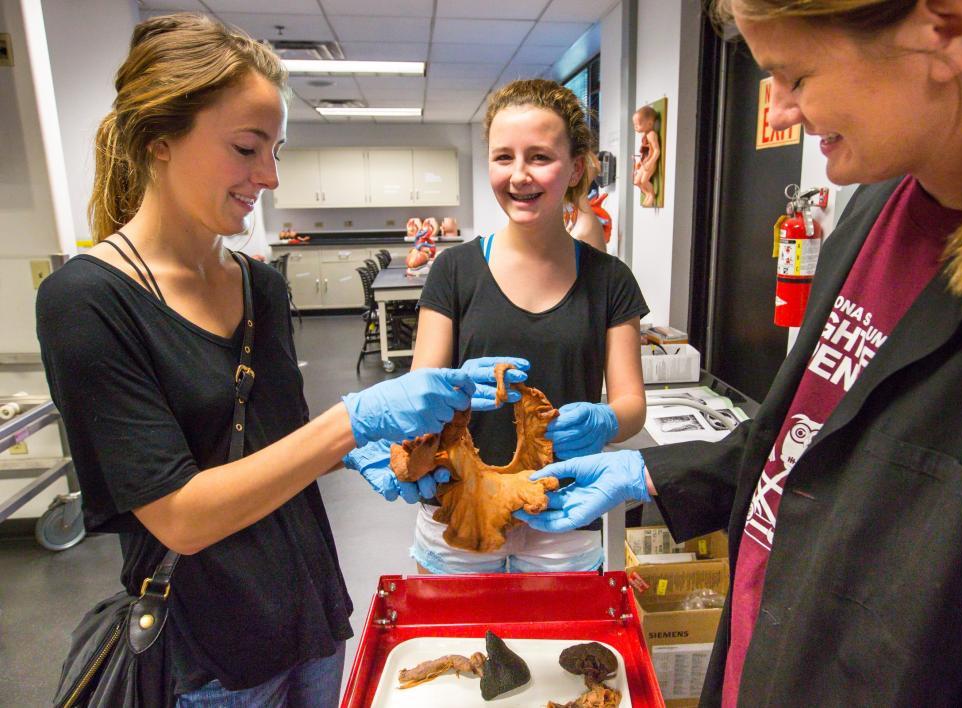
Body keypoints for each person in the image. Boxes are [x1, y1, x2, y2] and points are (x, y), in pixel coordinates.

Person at [516, 0, 962, 704]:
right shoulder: (876, 206)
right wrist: (650, 474)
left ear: (949, 25)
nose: (775, 116)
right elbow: (819, 445)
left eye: (794, 77)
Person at [35, 14, 516, 706]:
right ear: (158, 141)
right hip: (211, 655)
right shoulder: (88, 302)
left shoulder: (259, 285)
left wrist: (356, 454)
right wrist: (352, 423)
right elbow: (181, 516)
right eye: (245, 147)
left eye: (276, 150)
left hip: (311, 617)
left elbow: (276, 447)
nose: (267, 175)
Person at [350, 79, 649, 575]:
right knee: (452, 647)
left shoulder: (609, 279)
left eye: (539, 157)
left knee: (556, 651)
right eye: (503, 157)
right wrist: (442, 399)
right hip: (460, 506)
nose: (519, 175)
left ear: (575, 167)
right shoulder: (454, 271)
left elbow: (631, 404)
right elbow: (416, 392)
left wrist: (607, 420)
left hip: (564, 510)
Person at [631, 105, 660, 207]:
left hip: (650, 163)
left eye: (638, 124)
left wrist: (651, 162)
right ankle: (647, 194)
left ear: (650, 123)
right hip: (645, 163)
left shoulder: (651, 135)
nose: (636, 127)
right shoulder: (645, 136)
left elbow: (656, 151)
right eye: (634, 125)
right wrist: (639, 163)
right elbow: (645, 152)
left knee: (644, 181)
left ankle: (651, 194)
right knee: (636, 181)